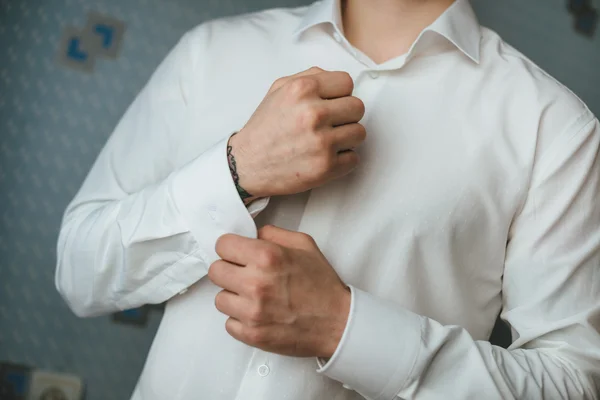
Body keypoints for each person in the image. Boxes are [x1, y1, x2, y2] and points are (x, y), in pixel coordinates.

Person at [55, 0, 600, 398]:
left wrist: (343, 326)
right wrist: (235, 170)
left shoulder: (554, 129)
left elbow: (572, 384)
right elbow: (80, 271)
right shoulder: (210, 52)